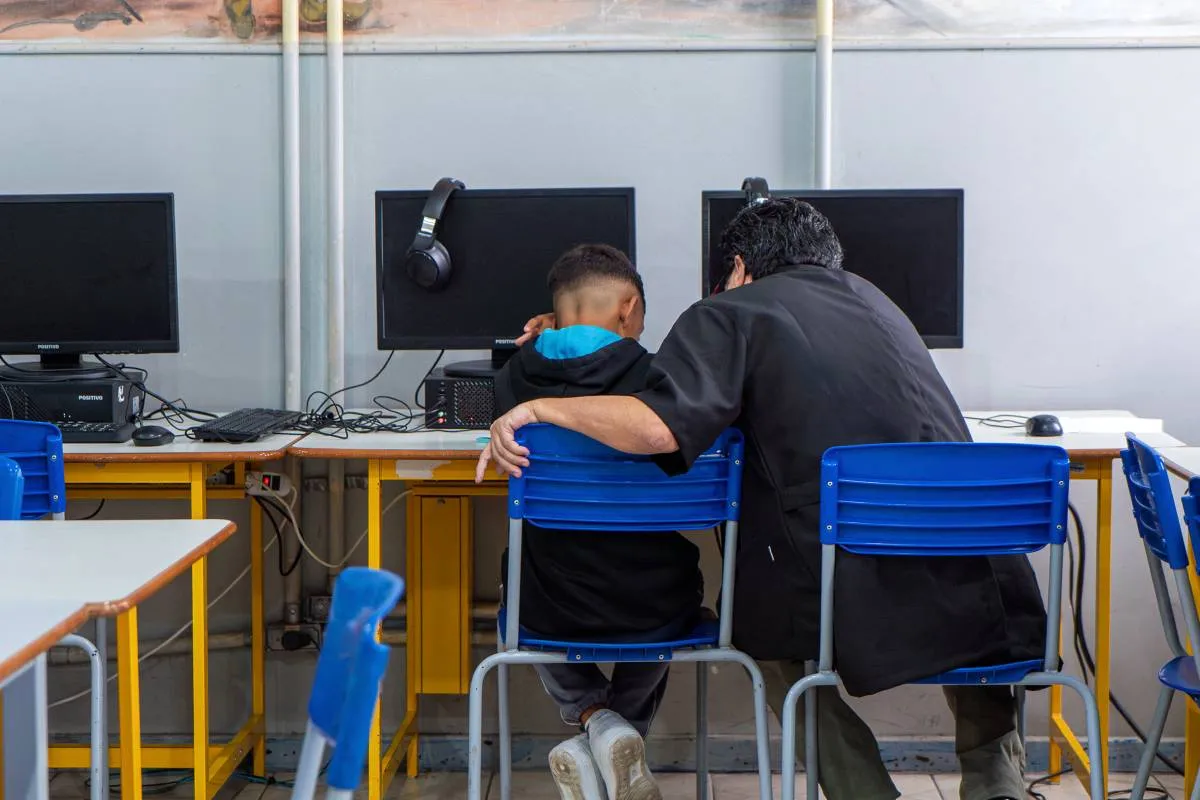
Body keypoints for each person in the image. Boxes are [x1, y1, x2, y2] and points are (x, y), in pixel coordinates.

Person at [478, 199, 1048, 800]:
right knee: (962, 590)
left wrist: (539, 407)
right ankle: (996, 782)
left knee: (762, 637)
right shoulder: (880, 304)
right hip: (983, 566)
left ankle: (864, 793)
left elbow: (658, 429)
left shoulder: (732, 311)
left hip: (848, 568)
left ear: (741, 268)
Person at [495, 243, 703, 800]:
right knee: (678, 590)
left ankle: (593, 718)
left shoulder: (513, 379)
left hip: (551, 602)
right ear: (628, 306)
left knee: (515, 581)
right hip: (653, 604)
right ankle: (616, 732)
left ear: (555, 312)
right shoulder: (661, 378)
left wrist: (539, 341)